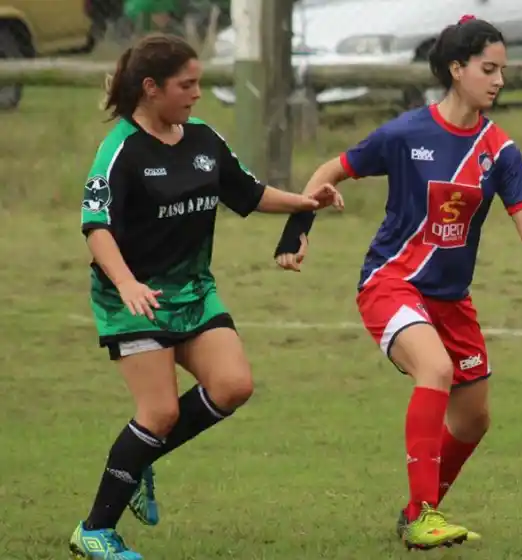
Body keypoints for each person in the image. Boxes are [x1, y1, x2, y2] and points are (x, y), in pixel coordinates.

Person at [274, 15, 522, 551]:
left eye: (503, 70)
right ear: (456, 69)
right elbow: (331, 169)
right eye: (489, 69)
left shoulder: (501, 151)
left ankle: (419, 509)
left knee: (474, 418)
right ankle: (421, 516)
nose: (499, 81)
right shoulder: (405, 133)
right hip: (390, 282)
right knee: (434, 369)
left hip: (450, 299)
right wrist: (298, 228)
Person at [70, 33, 342, 560]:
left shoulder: (202, 139)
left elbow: (247, 190)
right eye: (186, 85)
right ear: (151, 88)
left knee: (233, 385)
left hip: (194, 292)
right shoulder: (120, 149)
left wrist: (306, 202)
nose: (197, 94)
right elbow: (96, 226)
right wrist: (125, 282)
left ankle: (142, 454)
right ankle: (95, 530)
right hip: (136, 298)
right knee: (159, 413)